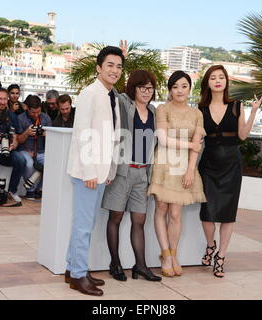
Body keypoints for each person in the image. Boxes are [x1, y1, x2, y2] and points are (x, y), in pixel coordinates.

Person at [65, 46, 124, 296]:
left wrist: (109, 169)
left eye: (119, 66)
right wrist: (90, 171)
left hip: (101, 171)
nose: (115, 70)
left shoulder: (113, 95)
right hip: (87, 172)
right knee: (83, 226)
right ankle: (78, 275)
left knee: (86, 223)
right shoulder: (90, 93)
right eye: (110, 65)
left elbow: (112, 137)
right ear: (98, 67)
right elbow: (82, 135)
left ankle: (73, 269)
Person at [198, 65, 262, 278]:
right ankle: (210, 245)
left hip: (232, 166)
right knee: (207, 212)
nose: (217, 80)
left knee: (227, 214)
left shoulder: (236, 105)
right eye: (213, 77)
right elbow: (196, 136)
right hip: (208, 165)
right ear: (207, 82)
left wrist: (253, 112)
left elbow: (242, 135)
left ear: (226, 82)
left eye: (221, 77)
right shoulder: (200, 108)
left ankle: (221, 257)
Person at [101, 70, 161, 282]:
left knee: (139, 220)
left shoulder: (153, 111)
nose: (146, 92)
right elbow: (113, 93)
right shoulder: (124, 103)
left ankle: (141, 266)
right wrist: (122, 67)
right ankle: (115, 263)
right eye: (141, 87)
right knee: (115, 217)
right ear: (133, 88)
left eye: (150, 88)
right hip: (122, 170)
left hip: (142, 173)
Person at [147, 71, 206, 278]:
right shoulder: (162, 109)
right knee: (161, 209)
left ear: (190, 88)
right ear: (170, 89)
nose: (179, 91)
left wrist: (191, 170)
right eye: (175, 87)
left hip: (184, 167)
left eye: (183, 86)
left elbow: (197, 147)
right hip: (164, 163)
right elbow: (162, 139)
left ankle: (174, 254)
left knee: (175, 214)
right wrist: (190, 144)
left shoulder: (197, 114)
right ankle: (165, 254)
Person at [17, 95, 52, 200]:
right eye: (33, 113)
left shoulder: (46, 118)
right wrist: (27, 133)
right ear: (27, 108)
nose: (36, 115)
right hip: (24, 149)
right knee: (28, 164)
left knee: (51, 164)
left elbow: (52, 140)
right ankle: (30, 190)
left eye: (38, 112)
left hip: (41, 150)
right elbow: (19, 140)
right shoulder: (20, 118)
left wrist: (47, 134)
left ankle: (40, 189)